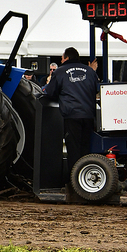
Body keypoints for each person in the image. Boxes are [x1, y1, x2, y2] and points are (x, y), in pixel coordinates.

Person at [44, 47, 100, 175]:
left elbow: (50, 92)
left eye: (62, 58)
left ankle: (74, 180)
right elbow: (96, 89)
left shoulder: (60, 71)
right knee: (85, 148)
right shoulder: (90, 71)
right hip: (88, 115)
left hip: (71, 115)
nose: (61, 60)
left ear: (67, 58)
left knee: (73, 149)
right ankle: (86, 178)